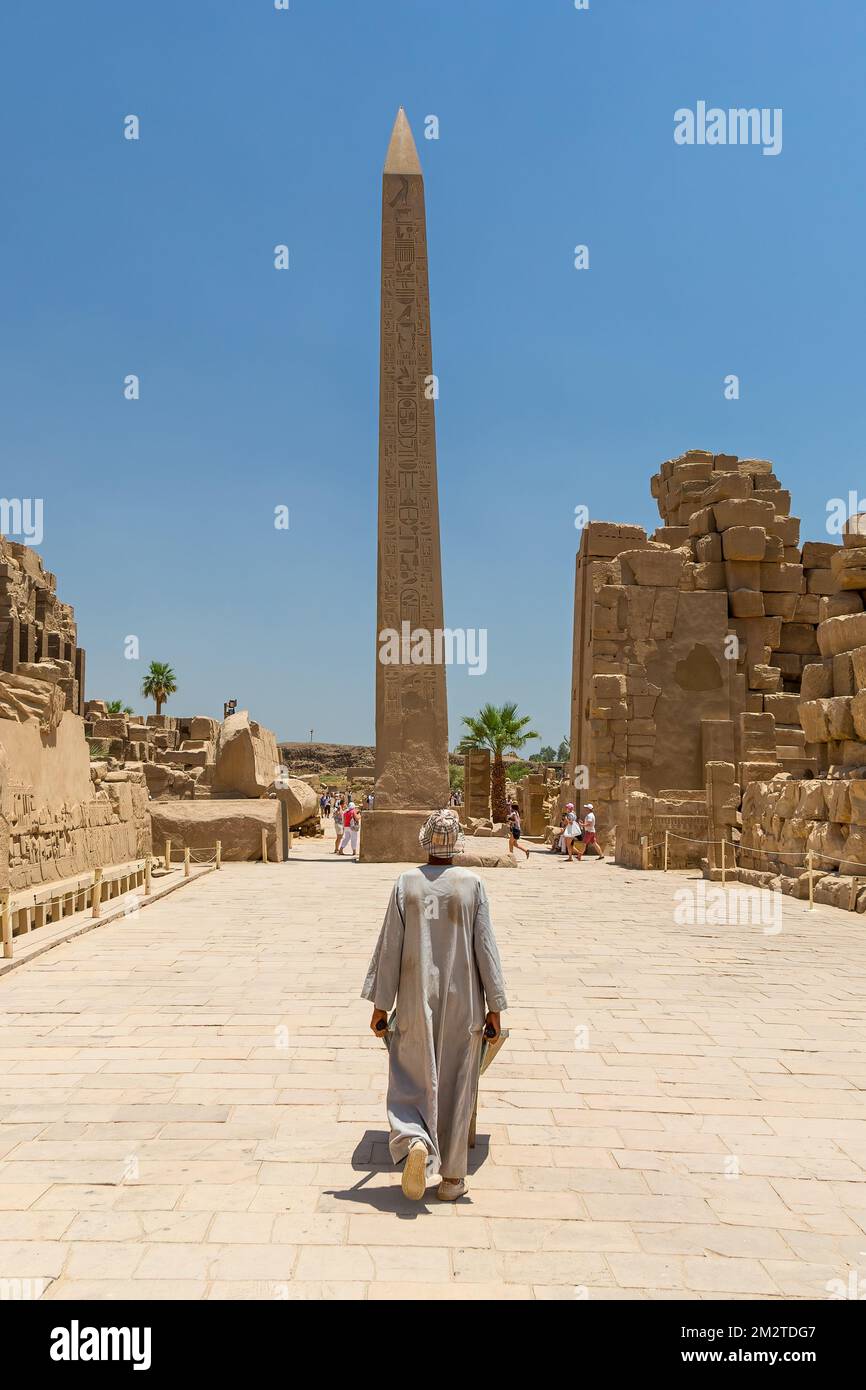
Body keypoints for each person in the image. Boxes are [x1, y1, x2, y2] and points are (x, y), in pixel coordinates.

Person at [363, 808, 507, 1202]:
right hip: (464, 1003)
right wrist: (495, 1007)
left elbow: (390, 948)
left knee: (409, 1074)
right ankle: (452, 1179)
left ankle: (414, 1139)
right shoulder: (472, 885)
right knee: (458, 1086)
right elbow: (486, 948)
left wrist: (380, 1005)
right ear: (457, 845)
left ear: (425, 842)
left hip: (414, 999)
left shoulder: (406, 883)